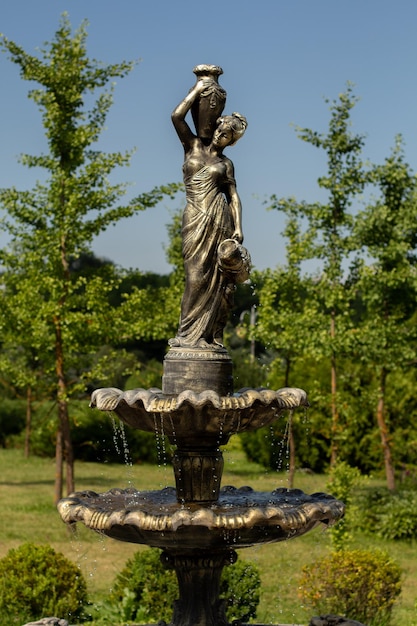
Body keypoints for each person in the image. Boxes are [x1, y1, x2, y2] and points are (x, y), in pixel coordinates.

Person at [169, 79, 248, 349]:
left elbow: (233, 197)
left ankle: (211, 336)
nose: (219, 135)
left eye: (226, 134)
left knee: (220, 283)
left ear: (231, 141)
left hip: (219, 220)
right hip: (195, 218)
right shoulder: (192, 146)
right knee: (195, 277)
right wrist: (196, 89)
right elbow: (176, 116)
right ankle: (187, 336)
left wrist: (238, 227)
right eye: (219, 129)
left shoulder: (226, 164)